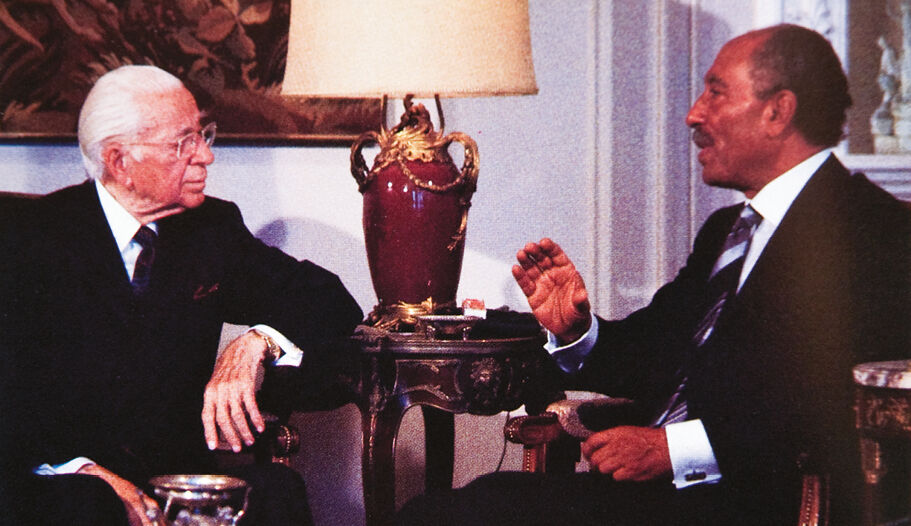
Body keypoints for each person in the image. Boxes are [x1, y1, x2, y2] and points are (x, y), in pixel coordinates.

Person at [396, 24, 911, 526]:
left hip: (754, 504)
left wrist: (677, 449)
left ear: (778, 111)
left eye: (715, 92)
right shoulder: (727, 230)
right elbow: (656, 354)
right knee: (446, 509)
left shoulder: (875, 230)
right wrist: (577, 330)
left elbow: (846, 408)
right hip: (655, 498)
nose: (693, 114)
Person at [0, 65, 363, 525]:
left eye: (203, 135)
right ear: (119, 162)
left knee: (277, 490)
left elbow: (330, 301)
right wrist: (83, 470)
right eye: (183, 143)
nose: (206, 156)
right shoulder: (27, 239)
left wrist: (256, 344)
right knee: (87, 507)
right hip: (59, 477)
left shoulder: (210, 229)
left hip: (176, 479)